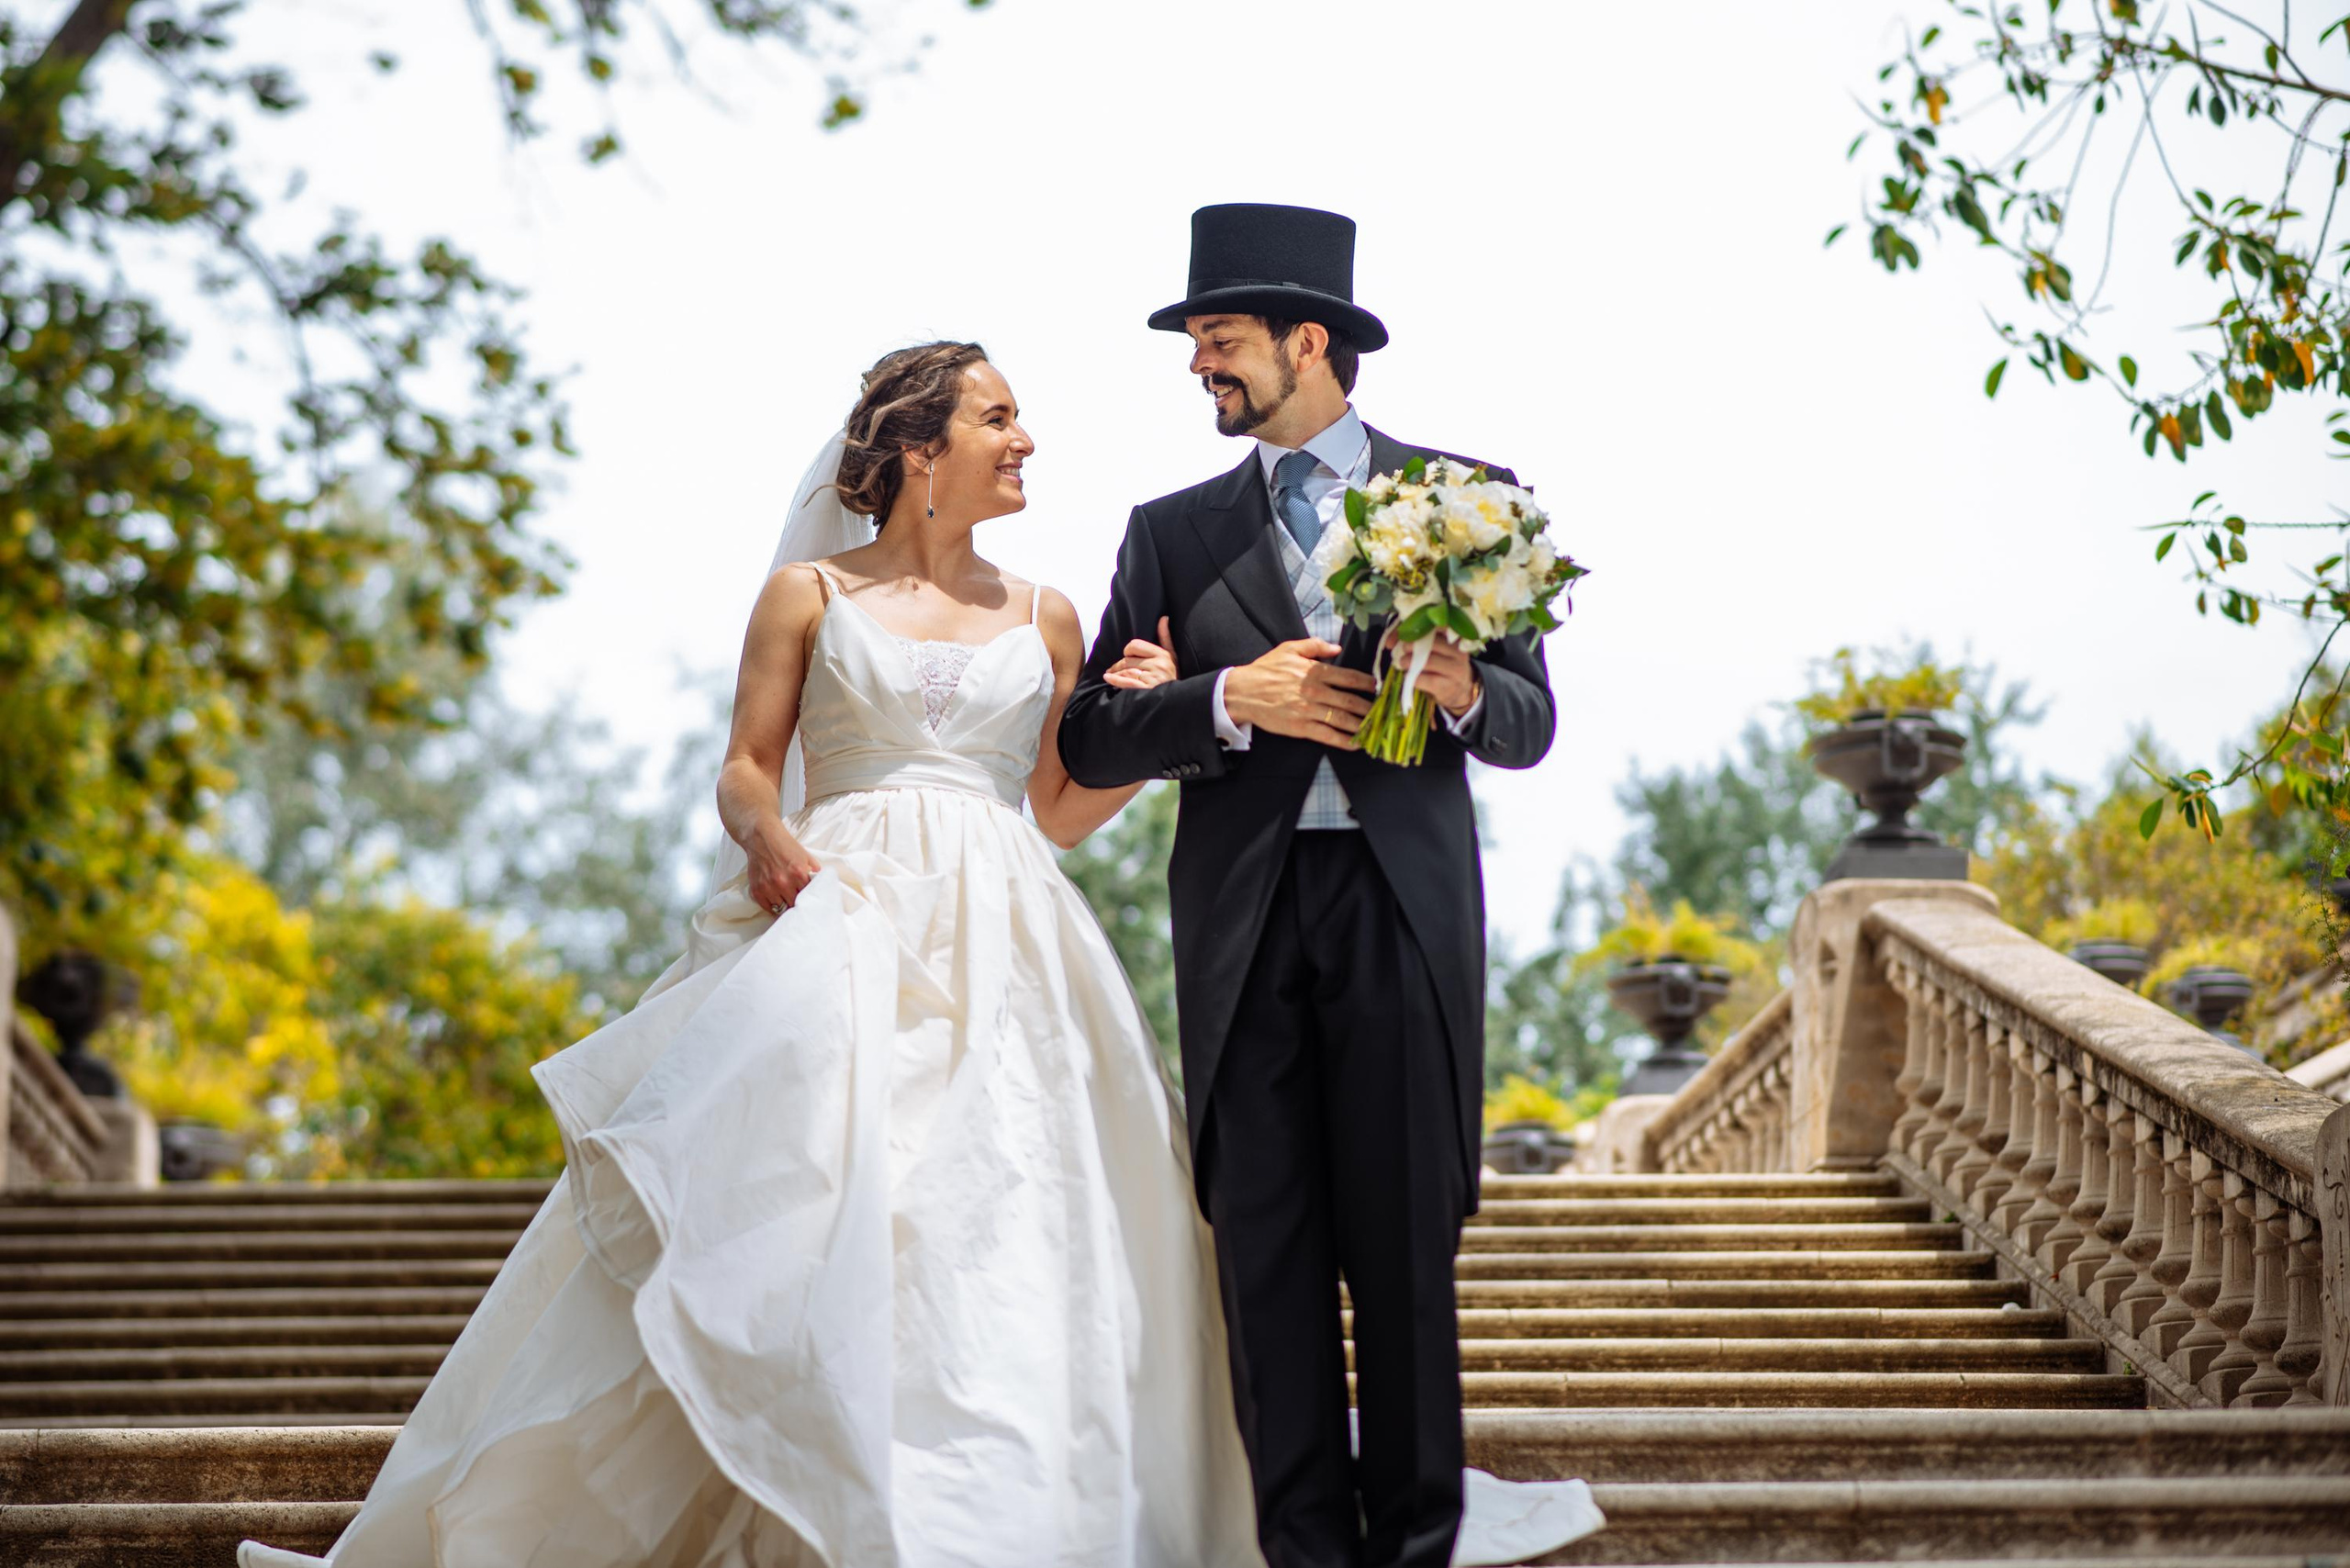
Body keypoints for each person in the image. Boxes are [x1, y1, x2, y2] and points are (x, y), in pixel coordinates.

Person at [238, 341, 1263, 1568]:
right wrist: (765, 830)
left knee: (999, 1211)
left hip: (1017, 943)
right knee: (820, 1202)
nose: (1028, 438)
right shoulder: (809, 595)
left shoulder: (1047, 615)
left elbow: (1050, 806)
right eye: (1001, 417)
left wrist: (1145, 729)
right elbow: (745, 765)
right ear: (919, 452)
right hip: (841, 919)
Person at [1056, 204, 1590, 1568]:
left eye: (1219, 343)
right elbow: (1091, 736)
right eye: (1194, 346)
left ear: (1311, 343)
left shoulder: (1472, 497)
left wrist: (1468, 685)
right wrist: (1230, 696)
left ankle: (1418, 1546)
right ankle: (1300, 1551)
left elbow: (1532, 726)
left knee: (1407, 1251)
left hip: (1400, 917)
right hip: (1240, 924)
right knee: (1267, 1252)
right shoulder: (1167, 535)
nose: (1199, 369)